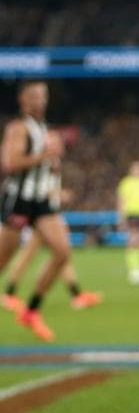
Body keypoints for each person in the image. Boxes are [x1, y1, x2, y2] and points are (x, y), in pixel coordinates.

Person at [0, 81, 89, 341]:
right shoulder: (18, 128)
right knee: (3, 260)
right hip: (19, 200)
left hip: (42, 202)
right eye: (34, 96)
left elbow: (48, 165)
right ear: (23, 100)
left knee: (62, 251)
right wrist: (45, 155)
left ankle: (31, 311)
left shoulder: (44, 129)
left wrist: (52, 164)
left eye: (43, 96)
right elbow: (10, 163)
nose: (40, 100)